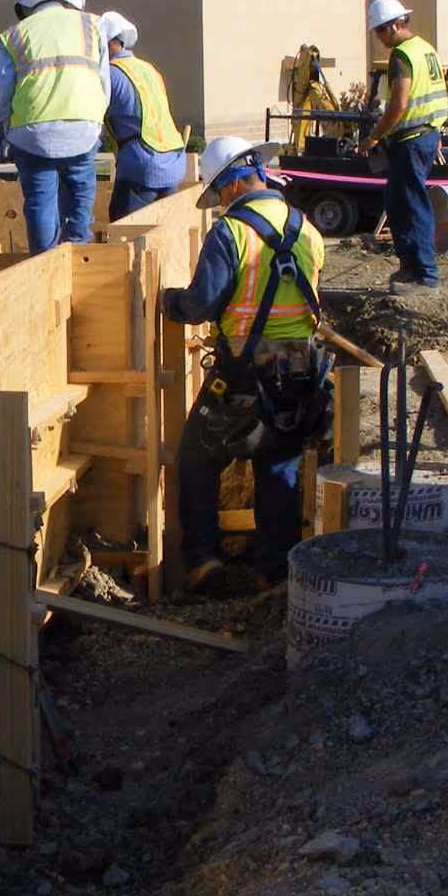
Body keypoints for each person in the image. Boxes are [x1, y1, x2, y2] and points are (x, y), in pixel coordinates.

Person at [161, 135, 330, 591]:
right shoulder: (306, 228)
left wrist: (168, 302)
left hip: (244, 370)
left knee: (196, 461)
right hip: (297, 366)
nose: (217, 204)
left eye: (216, 193)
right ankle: (274, 572)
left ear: (233, 183)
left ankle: (203, 564)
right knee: (278, 467)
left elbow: (201, 304)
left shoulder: (231, 233)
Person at [0, 0, 108, 252]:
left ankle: (43, 262)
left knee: (40, 200)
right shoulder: (93, 26)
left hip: (32, 132)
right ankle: (78, 251)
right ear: (72, 2)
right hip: (83, 126)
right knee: (81, 191)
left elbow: (3, 89)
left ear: (31, 4)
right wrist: (96, 120)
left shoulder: (14, 34)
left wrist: (6, 126)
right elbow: (104, 82)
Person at [357, 0, 448, 294]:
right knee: (397, 202)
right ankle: (412, 267)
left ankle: (424, 274)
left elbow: (398, 105)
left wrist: (373, 136)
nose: (380, 38)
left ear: (396, 25)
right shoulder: (425, 49)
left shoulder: (402, 56)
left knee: (410, 205)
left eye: (381, 31)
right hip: (425, 135)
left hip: (410, 139)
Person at [98, 10, 188, 219]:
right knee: (163, 234)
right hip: (172, 161)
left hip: (142, 165)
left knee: (125, 235)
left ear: (108, 43)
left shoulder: (110, 74)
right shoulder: (148, 68)